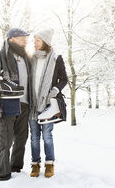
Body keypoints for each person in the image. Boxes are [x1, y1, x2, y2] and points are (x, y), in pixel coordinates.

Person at [0, 28, 32, 181]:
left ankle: (16, 168)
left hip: (24, 105)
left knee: (22, 138)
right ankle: (4, 173)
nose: (26, 41)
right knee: (5, 141)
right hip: (6, 104)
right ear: (12, 39)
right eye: (23, 38)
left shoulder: (25, 57)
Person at [29, 28, 68, 178]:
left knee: (47, 135)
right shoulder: (31, 58)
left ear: (45, 42)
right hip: (32, 104)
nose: (34, 43)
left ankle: (50, 164)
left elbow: (64, 79)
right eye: (34, 40)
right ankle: (35, 164)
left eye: (37, 40)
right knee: (34, 137)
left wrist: (55, 90)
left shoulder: (56, 59)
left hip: (46, 105)